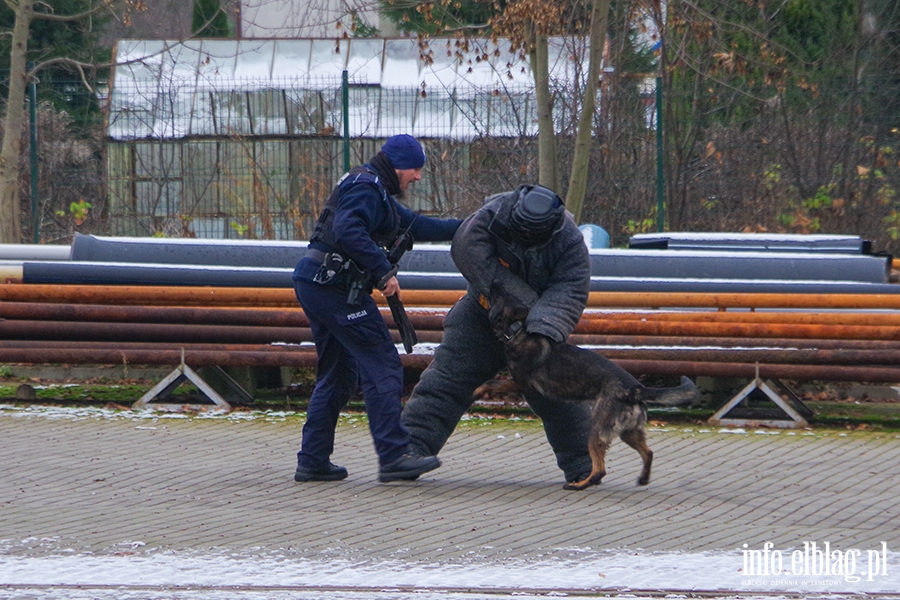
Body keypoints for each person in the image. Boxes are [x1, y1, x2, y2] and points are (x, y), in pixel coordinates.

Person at [292, 134, 462, 483]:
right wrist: (383, 271)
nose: (417, 177)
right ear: (399, 165)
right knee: (382, 363)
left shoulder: (376, 191)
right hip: (334, 287)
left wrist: (470, 226)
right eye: (415, 169)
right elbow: (348, 228)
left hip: (319, 283)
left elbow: (414, 224)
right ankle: (394, 455)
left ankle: (312, 460)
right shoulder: (365, 186)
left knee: (338, 375)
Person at [400, 183, 594, 484]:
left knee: (557, 393)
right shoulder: (491, 214)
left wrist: (539, 331)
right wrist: (517, 305)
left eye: (533, 234)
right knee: (446, 383)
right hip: (480, 316)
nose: (526, 237)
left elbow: (570, 290)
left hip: (537, 329)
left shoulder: (569, 240)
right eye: (522, 231)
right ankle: (408, 451)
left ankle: (584, 465)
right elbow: (468, 250)